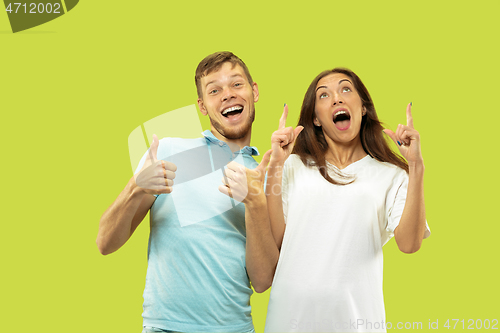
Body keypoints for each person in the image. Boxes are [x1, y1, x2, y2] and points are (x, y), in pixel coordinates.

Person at [96, 51, 273, 333]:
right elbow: (105, 243)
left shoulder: (265, 174)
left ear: (254, 91)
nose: (227, 94)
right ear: (203, 106)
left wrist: (255, 201)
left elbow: (263, 281)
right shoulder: (169, 153)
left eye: (236, 84)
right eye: (215, 90)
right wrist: (135, 187)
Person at [262, 68, 431, 332]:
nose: (337, 99)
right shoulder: (293, 165)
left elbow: (409, 244)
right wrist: (275, 166)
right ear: (316, 118)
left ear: (362, 108)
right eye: (324, 95)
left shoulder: (392, 176)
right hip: (288, 321)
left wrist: (416, 167)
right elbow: (277, 241)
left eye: (345, 89)